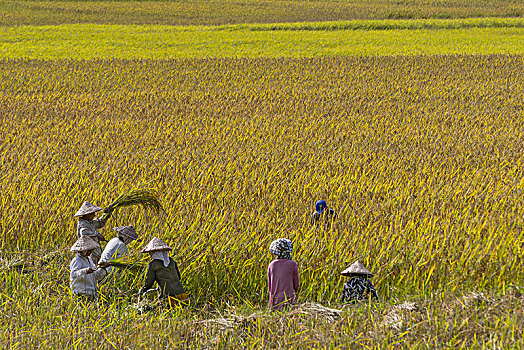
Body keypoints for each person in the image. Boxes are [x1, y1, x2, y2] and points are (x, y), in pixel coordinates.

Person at [139, 237, 188, 307]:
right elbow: (178, 277)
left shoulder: (153, 264)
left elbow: (149, 283)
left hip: (169, 299)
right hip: (182, 296)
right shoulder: (172, 261)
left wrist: (141, 291)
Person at [69, 235, 110, 300]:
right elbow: (73, 275)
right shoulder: (77, 260)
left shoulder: (89, 260)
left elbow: (96, 276)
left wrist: (103, 268)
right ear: (82, 250)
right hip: (81, 293)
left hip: (91, 293)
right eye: (88, 250)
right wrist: (85, 271)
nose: (90, 252)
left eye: (91, 250)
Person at [267, 238, 299, 311]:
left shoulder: (272, 265)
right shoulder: (292, 264)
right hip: (289, 300)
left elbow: (270, 286)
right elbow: (296, 285)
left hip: (274, 301)